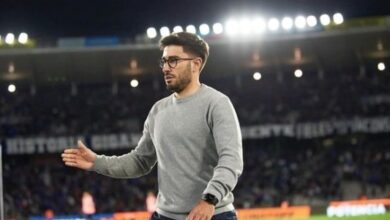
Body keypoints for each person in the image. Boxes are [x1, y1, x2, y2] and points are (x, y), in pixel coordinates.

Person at [62, 32, 243, 220]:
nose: (165, 68)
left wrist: (210, 199)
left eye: (173, 61)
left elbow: (231, 159)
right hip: (164, 216)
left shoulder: (217, 103)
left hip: (213, 213)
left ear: (196, 64)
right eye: (164, 61)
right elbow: (140, 161)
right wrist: (97, 162)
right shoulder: (158, 110)